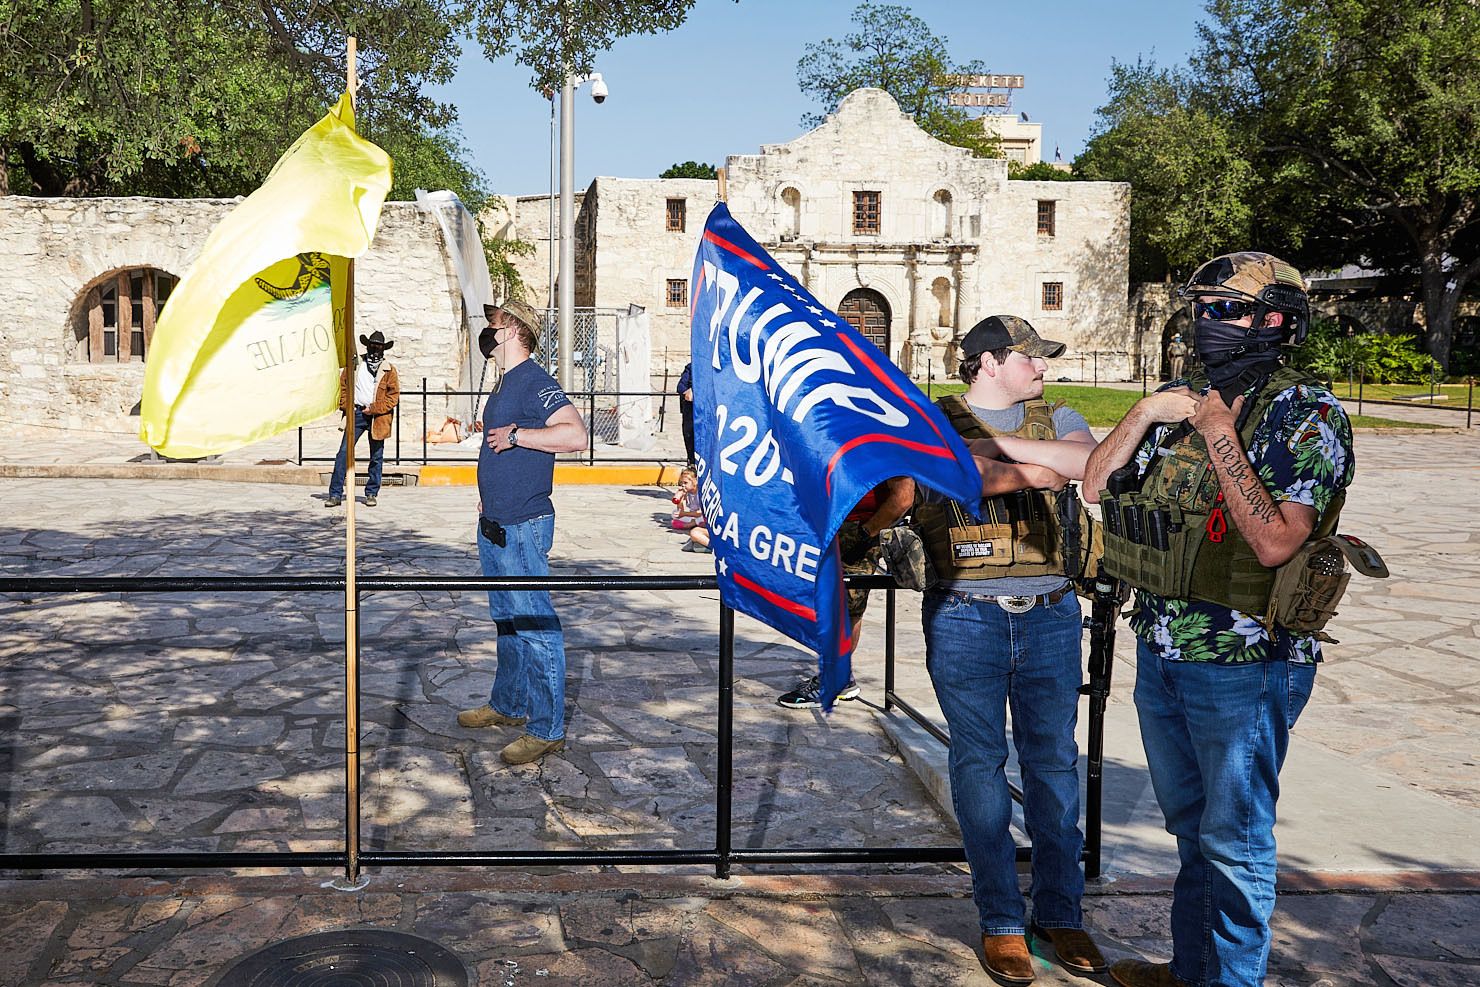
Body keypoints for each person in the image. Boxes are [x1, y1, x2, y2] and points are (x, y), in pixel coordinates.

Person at [1082, 253, 1355, 987]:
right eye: (1202, 308)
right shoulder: (1183, 399)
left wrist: (1218, 432)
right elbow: (1093, 485)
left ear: (1274, 319)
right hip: (1164, 650)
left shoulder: (1310, 414)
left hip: (1246, 664)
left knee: (1234, 842)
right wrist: (1144, 413)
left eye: (1225, 309)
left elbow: (1274, 540)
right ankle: (1193, 970)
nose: (1207, 323)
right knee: (1193, 834)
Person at [914, 315, 1105, 985]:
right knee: (978, 764)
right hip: (966, 614)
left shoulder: (1058, 413)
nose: (1043, 370)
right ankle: (1000, 920)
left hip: (1051, 612)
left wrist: (996, 461)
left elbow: (1086, 464)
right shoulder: (929, 417)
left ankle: (1060, 911)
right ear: (988, 361)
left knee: (1054, 764)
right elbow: (956, 482)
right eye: (1031, 359)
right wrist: (1022, 467)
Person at [457, 301, 588, 766]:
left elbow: (575, 435)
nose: (486, 329)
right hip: (495, 521)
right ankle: (508, 704)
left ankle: (546, 728)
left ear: (512, 329)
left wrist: (518, 436)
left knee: (534, 623)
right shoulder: (506, 383)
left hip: (523, 526)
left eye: (493, 322)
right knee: (507, 619)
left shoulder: (535, 380)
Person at [774, 476, 915, 709]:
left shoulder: (884, 439)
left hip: (859, 530)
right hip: (830, 526)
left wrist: (863, 534)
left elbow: (902, 498)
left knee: (846, 609)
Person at [325, 330, 399, 508]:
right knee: (343, 453)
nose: (375, 349)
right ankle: (335, 493)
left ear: (383, 349)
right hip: (356, 414)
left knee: (376, 456)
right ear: (367, 346)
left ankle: (371, 492)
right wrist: (346, 405)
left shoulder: (389, 370)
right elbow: (343, 385)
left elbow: (393, 396)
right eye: (372, 345)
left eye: (378, 346)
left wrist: (374, 408)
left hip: (378, 418)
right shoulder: (356, 365)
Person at [670, 466, 704, 530]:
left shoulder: (700, 492)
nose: (683, 485)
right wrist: (681, 497)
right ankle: (697, 523)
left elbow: (701, 512)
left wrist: (684, 514)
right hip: (693, 515)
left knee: (704, 517)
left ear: (695, 481)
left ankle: (692, 524)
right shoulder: (687, 493)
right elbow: (681, 509)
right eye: (681, 483)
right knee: (674, 513)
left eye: (685, 483)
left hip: (700, 514)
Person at [676, 361, 696, 465]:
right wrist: (688, 391)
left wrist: (695, 390)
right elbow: (680, 387)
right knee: (689, 434)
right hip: (691, 411)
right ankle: (691, 461)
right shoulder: (691, 367)